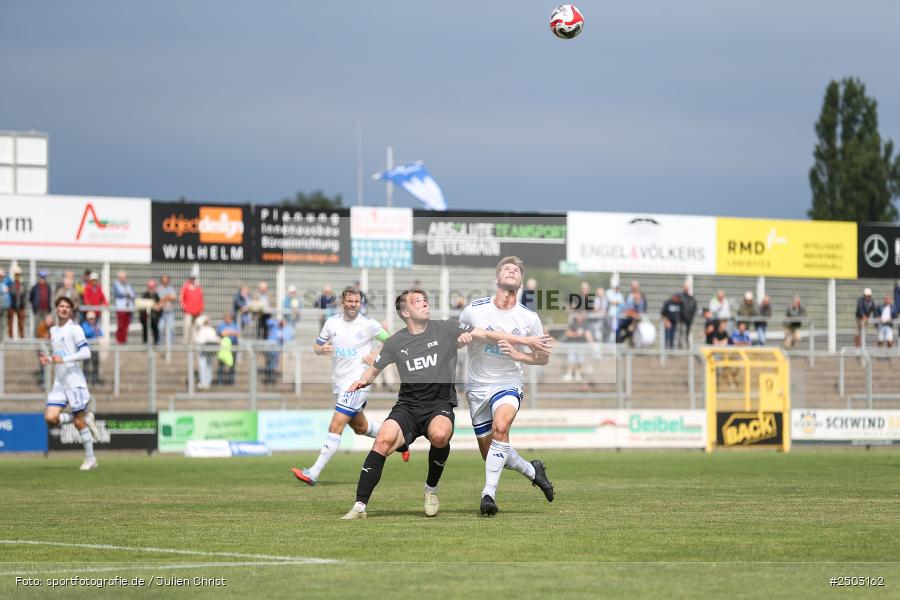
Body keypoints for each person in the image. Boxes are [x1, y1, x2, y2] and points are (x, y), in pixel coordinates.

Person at [340, 289, 549, 520]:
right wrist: (363, 380)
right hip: (407, 407)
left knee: (440, 435)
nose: (425, 303)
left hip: (439, 405)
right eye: (418, 301)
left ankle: (431, 489)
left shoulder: (447, 328)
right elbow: (375, 368)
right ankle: (359, 506)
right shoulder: (395, 341)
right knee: (382, 440)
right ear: (406, 312)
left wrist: (527, 340)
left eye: (425, 300)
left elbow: (489, 335)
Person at [458, 256, 556, 516]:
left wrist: (519, 356)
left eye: (516, 271)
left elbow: (543, 357)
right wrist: (463, 338)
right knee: (491, 452)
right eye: (506, 269)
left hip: (508, 382)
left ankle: (488, 495)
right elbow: (459, 338)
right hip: (477, 387)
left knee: (500, 428)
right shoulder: (474, 309)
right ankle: (533, 471)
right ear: (496, 279)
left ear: (521, 281)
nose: (512, 272)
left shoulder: (529, 318)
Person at [291, 286, 408, 487]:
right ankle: (402, 438)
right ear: (342, 303)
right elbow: (317, 346)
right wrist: (321, 349)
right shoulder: (331, 323)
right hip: (339, 383)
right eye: (350, 301)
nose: (353, 304)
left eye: (356, 301)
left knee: (336, 425)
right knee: (361, 428)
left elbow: (393, 343)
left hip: (357, 383)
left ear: (360, 303)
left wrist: (377, 356)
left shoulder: (369, 324)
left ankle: (313, 472)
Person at [41, 296, 101, 471]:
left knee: (77, 422)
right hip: (60, 381)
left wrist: (63, 359)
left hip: (74, 380)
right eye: (61, 306)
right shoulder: (53, 331)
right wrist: (50, 359)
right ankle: (86, 416)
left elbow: (86, 353)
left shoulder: (75, 329)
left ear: (71, 311)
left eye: (67, 306)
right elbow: (59, 354)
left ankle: (91, 460)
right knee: (50, 418)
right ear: (56, 308)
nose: (64, 309)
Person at [563, 312, 593, 383]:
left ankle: (578, 374)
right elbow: (567, 333)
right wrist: (575, 334)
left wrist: (591, 343)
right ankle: (569, 374)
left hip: (581, 345)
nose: (580, 317)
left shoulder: (585, 325)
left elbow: (588, 334)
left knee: (580, 360)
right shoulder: (573, 323)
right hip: (572, 344)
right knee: (571, 360)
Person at [192, 315, 219, 390]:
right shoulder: (200, 329)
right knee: (202, 366)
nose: (207, 321)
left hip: (210, 350)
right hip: (202, 350)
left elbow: (214, 339)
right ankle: (203, 382)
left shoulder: (211, 329)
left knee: (209, 366)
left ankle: (207, 382)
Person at [215, 313, 240, 385]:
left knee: (232, 364)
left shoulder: (234, 324)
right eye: (226, 318)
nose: (227, 319)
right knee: (221, 364)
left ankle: (230, 381)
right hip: (224, 346)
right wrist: (231, 332)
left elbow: (237, 333)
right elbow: (222, 333)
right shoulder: (222, 325)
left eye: (228, 318)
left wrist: (228, 332)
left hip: (233, 344)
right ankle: (220, 381)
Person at [80, 311, 103, 386]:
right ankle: (85, 380)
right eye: (90, 319)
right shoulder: (84, 325)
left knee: (95, 364)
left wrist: (95, 331)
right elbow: (87, 333)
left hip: (94, 348)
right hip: (86, 348)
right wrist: (94, 330)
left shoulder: (96, 325)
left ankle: (95, 380)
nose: (92, 320)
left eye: (93, 319)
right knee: (86, 365)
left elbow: (100, 334)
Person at [112, 271, 136, 344]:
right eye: (121, 277)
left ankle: (124, 340)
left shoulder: (128, 285)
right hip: (121, 308)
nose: (123, 279)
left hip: (129, 308)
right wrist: (127, 294)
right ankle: (119, 340)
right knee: (121, 324)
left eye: (124, 277)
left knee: (126, 325)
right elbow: (118, 294)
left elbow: (133, 295)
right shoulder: (116, 285)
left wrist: (128, 294)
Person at [180, 275, 204, 343]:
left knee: (195, 327)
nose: (192, 280)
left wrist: (201, 309)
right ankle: (185, 341)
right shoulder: (185, 287)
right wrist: (184, 307)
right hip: (188, 311)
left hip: (197, 312)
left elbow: (201, 299)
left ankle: (193, 342)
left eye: (194, 279)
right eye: (191, 279)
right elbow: (181, 298)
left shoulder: (198, 288)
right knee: (187, 326)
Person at [29, 269, 53, 334]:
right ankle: (36, 338)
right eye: (41, 277)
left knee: (47, 324)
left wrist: (49, 309)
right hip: (38, 309)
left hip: (46, 309)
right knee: (37, 324)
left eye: (43, 277)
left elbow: (50, 298)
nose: (42, 279)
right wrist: (34, 305)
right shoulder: (35, 287)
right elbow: (31, 298)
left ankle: (45, 339)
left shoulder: (48, 287)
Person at [138, 280, 162, 345]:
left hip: (154, 318)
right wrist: (153, 305)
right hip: (146, 318)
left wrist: (157, 308)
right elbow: (143, 305)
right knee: (145, 331)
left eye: (153, 287)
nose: (151, 289)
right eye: (150, 287)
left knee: (155, 330)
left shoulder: (156, 295)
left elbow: (159, 306)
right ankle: (145, 345)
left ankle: (156, 344)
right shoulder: (145, 295)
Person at [157, 274, 177, 349]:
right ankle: (160, 346)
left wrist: (164, 298)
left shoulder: (171, 289)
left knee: (171, 329)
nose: (165, 281)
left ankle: (170, 347)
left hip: (170, 312)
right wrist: (167, 297)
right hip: (161, 313)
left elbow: (174, 298)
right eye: (163, 279)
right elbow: (158, 300)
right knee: (160, 328)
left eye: (166, 279)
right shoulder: (158, 289)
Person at [34, 313, 54, 387]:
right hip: (42, 349)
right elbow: (43, 338)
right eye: (48, 320)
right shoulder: (41, 327)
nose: (49, 322)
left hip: (51, 349)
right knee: (43, 366)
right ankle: (43, 382)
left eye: (50, 320)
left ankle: (48, 382)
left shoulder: (54, 327)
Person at [7, 266, 26, 339]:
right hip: (12, 305)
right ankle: (10, 336)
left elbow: (25, 294)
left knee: (21, 322)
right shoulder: (11, 284)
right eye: (16, 274)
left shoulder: (23, 284)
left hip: (21, 306)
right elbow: (10, 294)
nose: (17, 276)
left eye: (18, 274)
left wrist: (23, 304)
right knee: (10, 322)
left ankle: (21, 336)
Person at [677, 283, 697, 349]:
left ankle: (687, 345)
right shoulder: (680, 297)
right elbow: (678, 307)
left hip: (689, 318)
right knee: (680, 331)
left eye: (687, 288)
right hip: (681, 318)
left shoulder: (691, 298)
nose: (686, 289)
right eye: (685, 287)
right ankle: (680, 344)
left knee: (687, 333)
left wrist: (691, 315)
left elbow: (694, 307)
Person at [0, 268, 10, 342]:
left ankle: (2, 339)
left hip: (4, 307)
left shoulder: (5, 282)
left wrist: (5, 274)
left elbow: (10, 280)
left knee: (3, 324)